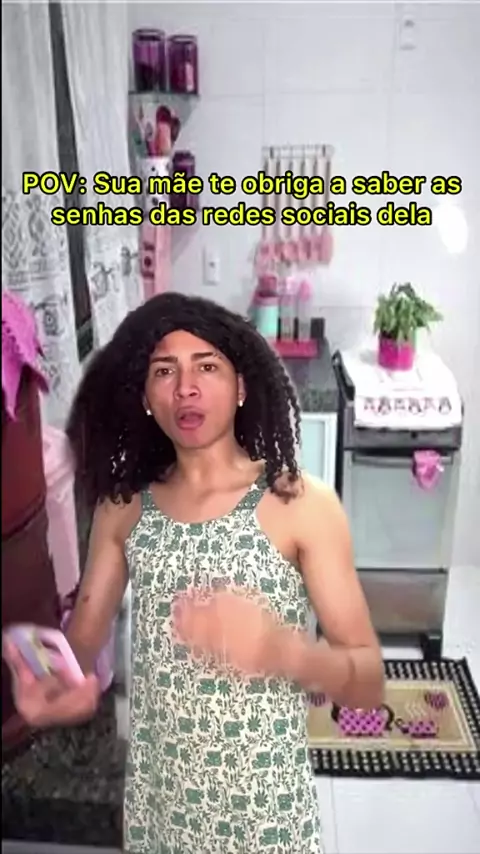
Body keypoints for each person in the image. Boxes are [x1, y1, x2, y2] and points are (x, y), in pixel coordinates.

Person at [4, 293, 384, 854]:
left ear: (241, 387)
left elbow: (369, 684)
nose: (185, 386)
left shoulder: (302, 505)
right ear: (146, 398)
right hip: (161, 818)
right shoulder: (124, 507)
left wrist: (285, 652)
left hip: (267, 819)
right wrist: (56, 686)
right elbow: (79, 657)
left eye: (207, 366)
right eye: (165, 371)